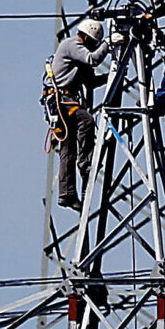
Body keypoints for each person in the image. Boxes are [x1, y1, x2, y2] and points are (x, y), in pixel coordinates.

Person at [49, 17, 112, 210]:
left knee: (68, 150)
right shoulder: (72, 45)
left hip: (65, 103)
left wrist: (112, 76)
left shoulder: (80, 57)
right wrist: (109, 44)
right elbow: (92, 60)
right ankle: (86, 162)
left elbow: (90, 82)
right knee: (86, 120)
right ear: (86, 37)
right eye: (94, 43)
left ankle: (67, 194)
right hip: (62, 101)